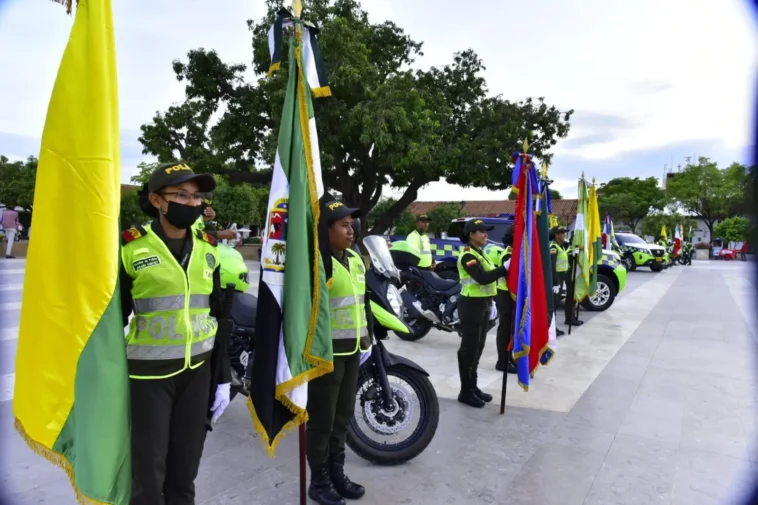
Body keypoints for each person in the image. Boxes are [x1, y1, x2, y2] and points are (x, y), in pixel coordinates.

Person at [120, 162, 232, 505]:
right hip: (148, 377)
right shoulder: (130, 248)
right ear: (157, 200)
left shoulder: (209, 248)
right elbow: (110, 321)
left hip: (196, 375)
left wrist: (223, 376)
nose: (192, 203)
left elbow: (217, 315)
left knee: (184, 474)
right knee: (148, 477)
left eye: (197, 196)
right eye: (181, 195)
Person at [307, 200, 372, 505]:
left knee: (343, 417)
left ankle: (337, 474)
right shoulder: (318, 264)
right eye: (344, 225)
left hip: (352, 352)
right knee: (323, 420)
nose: (351, 230)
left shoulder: (355, 260)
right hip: (326, 356)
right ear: (326, 229)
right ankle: (319, 482)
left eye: (352, 224)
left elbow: (362, 301)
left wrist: (370, 335)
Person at [456, 219, 507, 408]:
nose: (486, 235)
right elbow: (483, 278)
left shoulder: (480, 253)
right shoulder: (467, 255)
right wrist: (504, 269)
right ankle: (465, 391)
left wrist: (491, 301)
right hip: (471, 306)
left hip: (483, 305)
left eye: (486, 232)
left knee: (478, 349)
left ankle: (473, 386)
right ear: (471, 234)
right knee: (468, 350)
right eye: (482, 232)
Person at [487, 227, 518, 374]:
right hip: (505, 294)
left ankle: (509, 358)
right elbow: (511, 277)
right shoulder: (509, 254)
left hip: (510, 294)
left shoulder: (515, 252)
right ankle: (502, 361)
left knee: (511, 328)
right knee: (506, 328)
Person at [550, 227, 573, 331]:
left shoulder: (563, 246)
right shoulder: (554, 247)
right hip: (556, 277)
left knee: (557, 302)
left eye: (565, 233)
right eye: (562, 233)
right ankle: (552, 328)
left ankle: (553, 327)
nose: (564, 235)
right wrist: (555, 282)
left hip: (562, 276)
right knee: (554, 304)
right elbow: (552, 265)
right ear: (556, 235)